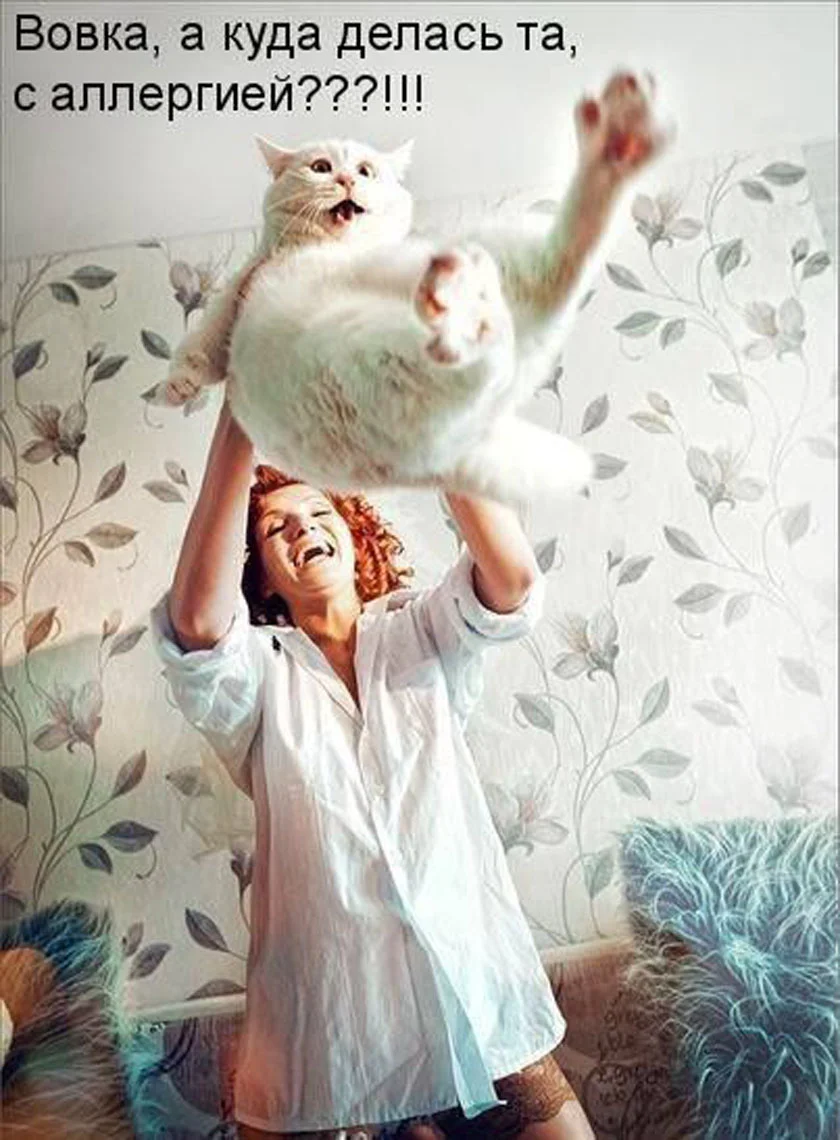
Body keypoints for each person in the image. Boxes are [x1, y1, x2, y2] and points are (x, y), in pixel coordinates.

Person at [151, 400, 596, 1140]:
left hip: (479, 1018)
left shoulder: (423, 629)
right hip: (329, 1054)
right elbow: (197, 624)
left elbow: (513, 580)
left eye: (317, 512)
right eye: (275, 529)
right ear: (263, 579)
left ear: (354, 537)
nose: (300, 528)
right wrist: (244, 410)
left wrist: (432, 415)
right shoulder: (255, 678)